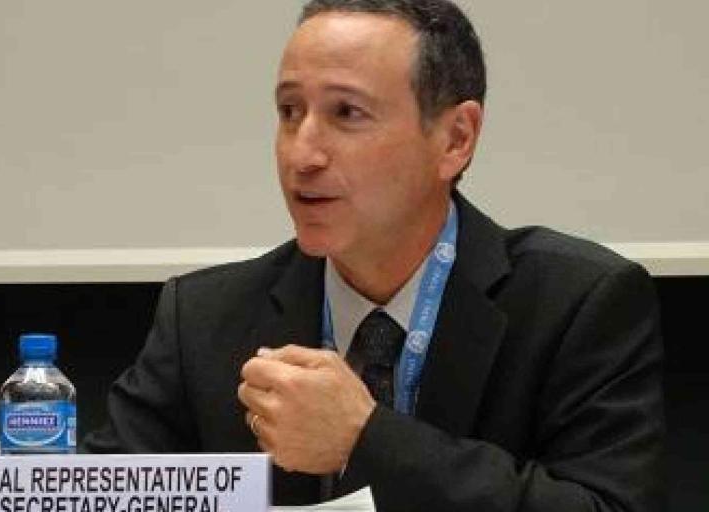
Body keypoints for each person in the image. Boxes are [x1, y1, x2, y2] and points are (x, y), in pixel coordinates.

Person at [84, 1, 665, 510]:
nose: (302, 153)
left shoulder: (577, 304)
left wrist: (367, 439)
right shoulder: (205, 317)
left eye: (346, 114)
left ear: (456, 139)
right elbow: (107, 493)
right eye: (289, 111)